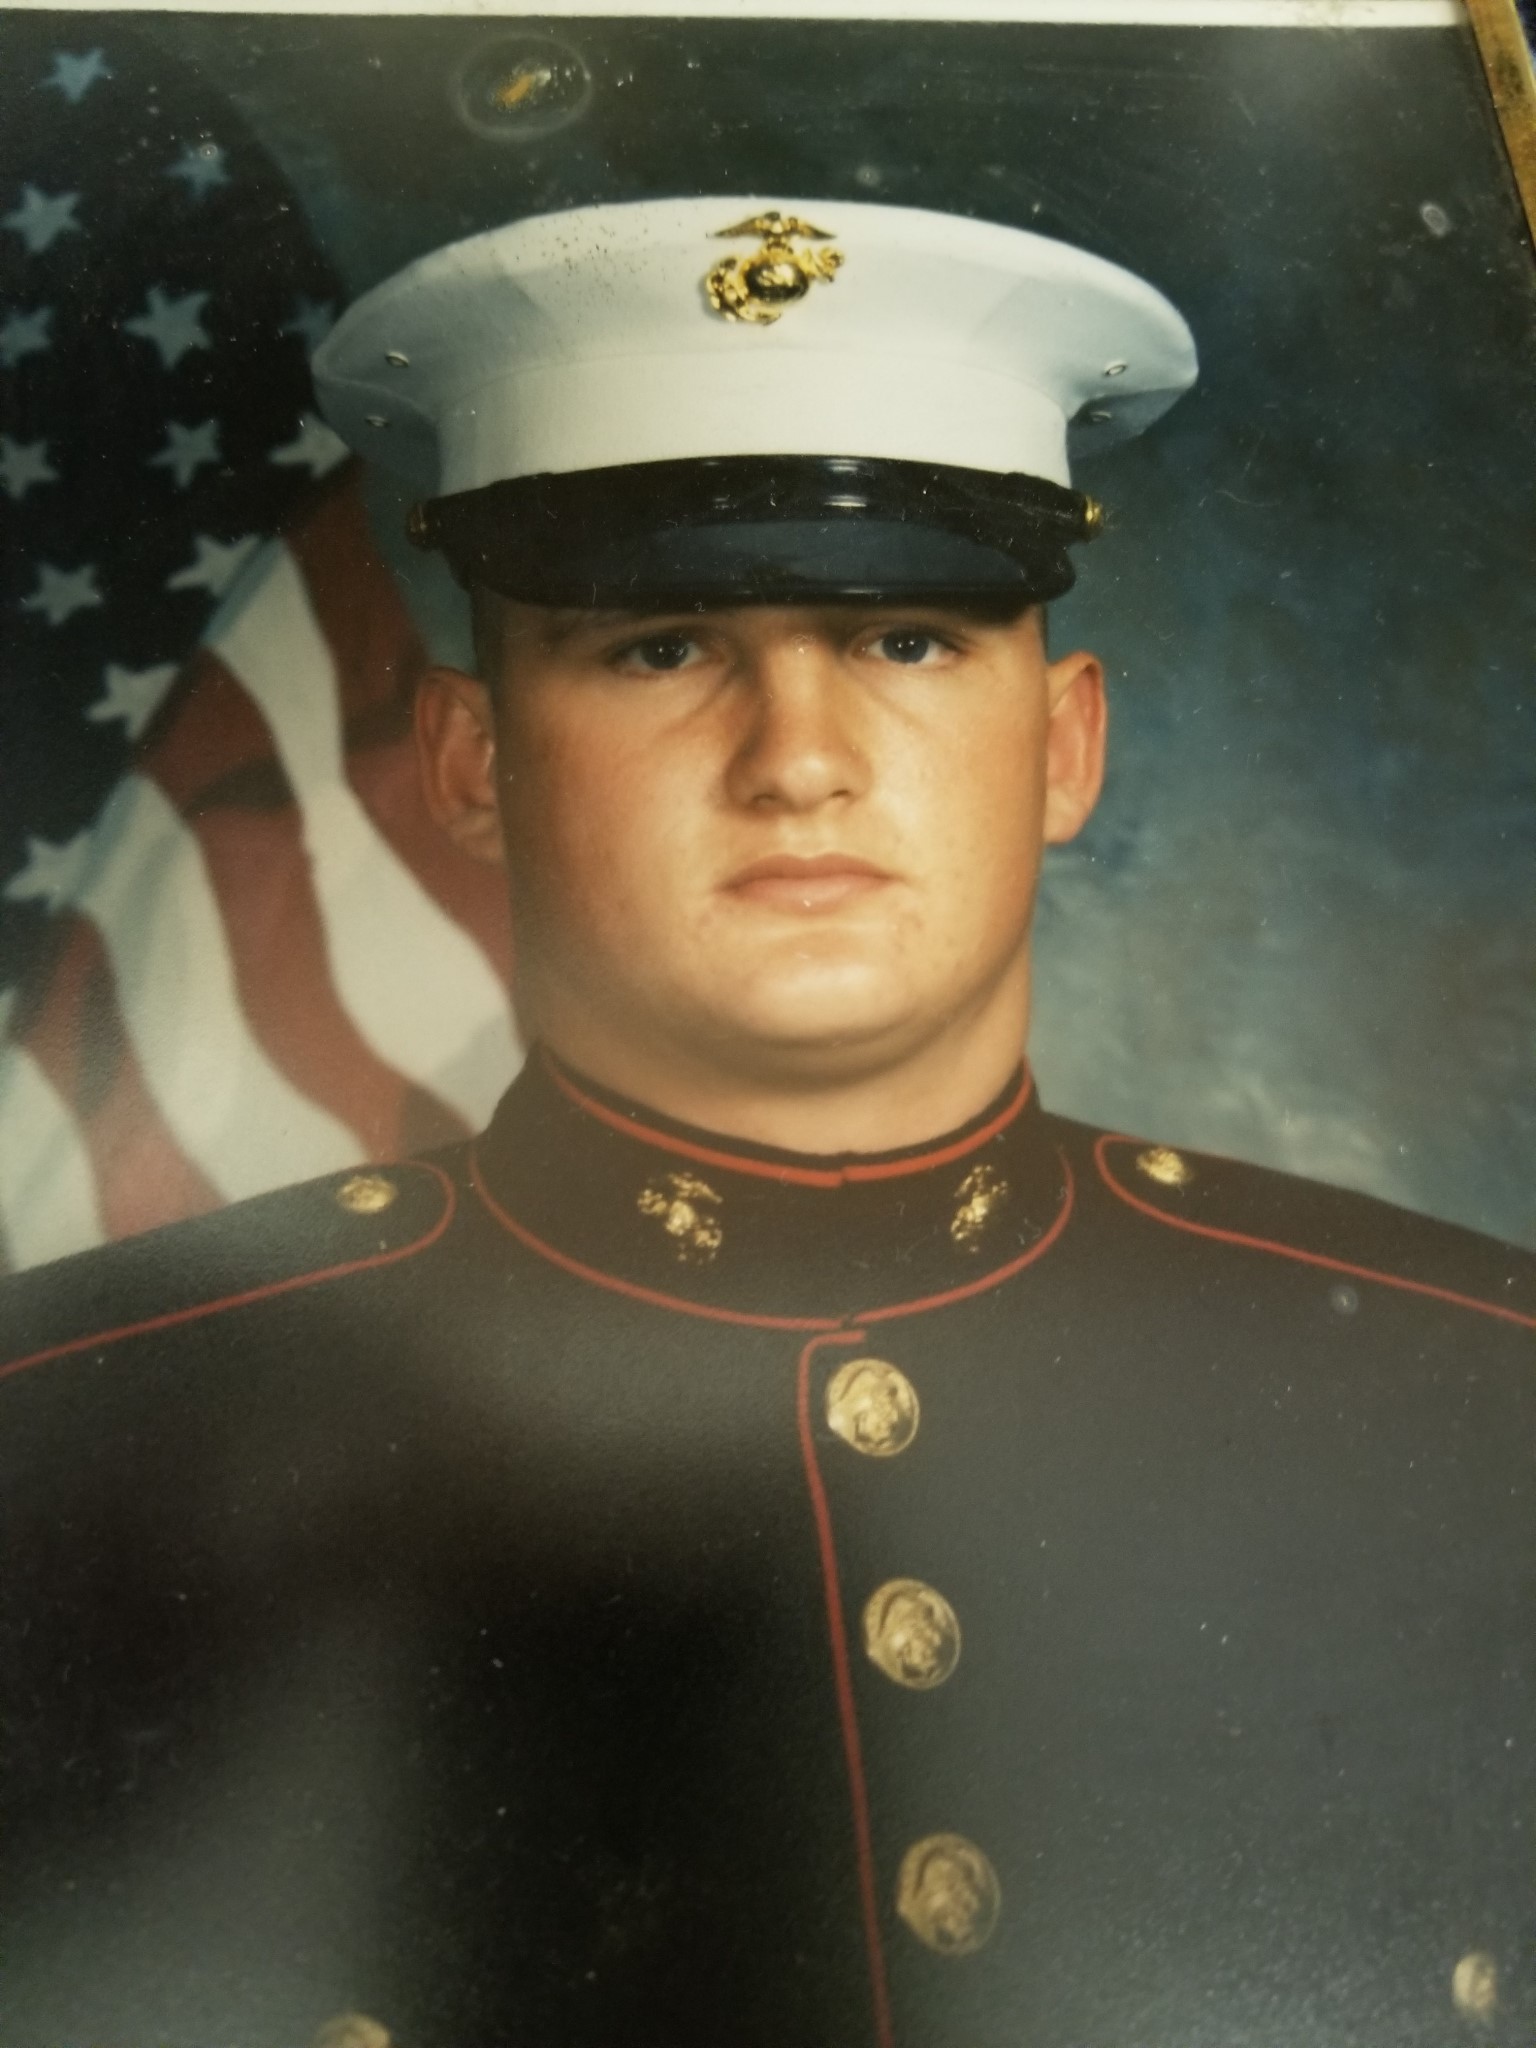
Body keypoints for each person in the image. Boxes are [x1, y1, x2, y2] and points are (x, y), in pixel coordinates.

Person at [1, 197, 1532, 2048]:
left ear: (1065, 747)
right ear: (471, 763)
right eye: (660, 648)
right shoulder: (59, 1453)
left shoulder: (1489, 1397)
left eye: (907, 640)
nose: (798, 757)